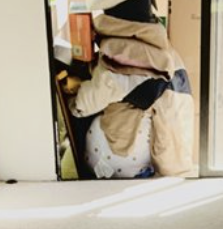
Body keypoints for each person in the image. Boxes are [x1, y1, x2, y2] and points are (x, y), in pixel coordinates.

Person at [69, 0, 194, 180]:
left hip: (115, 159)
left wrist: (73, 96)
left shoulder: (122, 52)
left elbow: (85, 104)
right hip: (154, 159)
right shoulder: (164, 51)